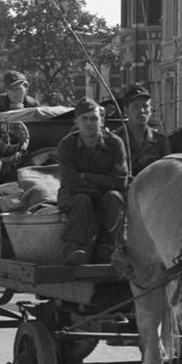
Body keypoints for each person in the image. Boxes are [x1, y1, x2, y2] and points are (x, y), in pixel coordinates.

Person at [55, 97, 129, 265]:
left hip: (105, 196)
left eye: (94, 118)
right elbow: (71, 183)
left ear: (102, 121)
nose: (89, 123)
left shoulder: (115, 144)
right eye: (84, 118)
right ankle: (73, 249)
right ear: (76, 122)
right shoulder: (67, 145)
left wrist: (86, 177)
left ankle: (116, 247)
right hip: (73, 197)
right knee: (82, 200)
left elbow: (120, 183)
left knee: (114, 198)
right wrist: (102, 182)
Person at [115, 82, 170, 176]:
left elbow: (167, 172)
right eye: (136, 106)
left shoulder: (160, 141)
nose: (141, 111)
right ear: (126, 111)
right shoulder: (116, 139)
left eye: (145, 106)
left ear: (151, 111)